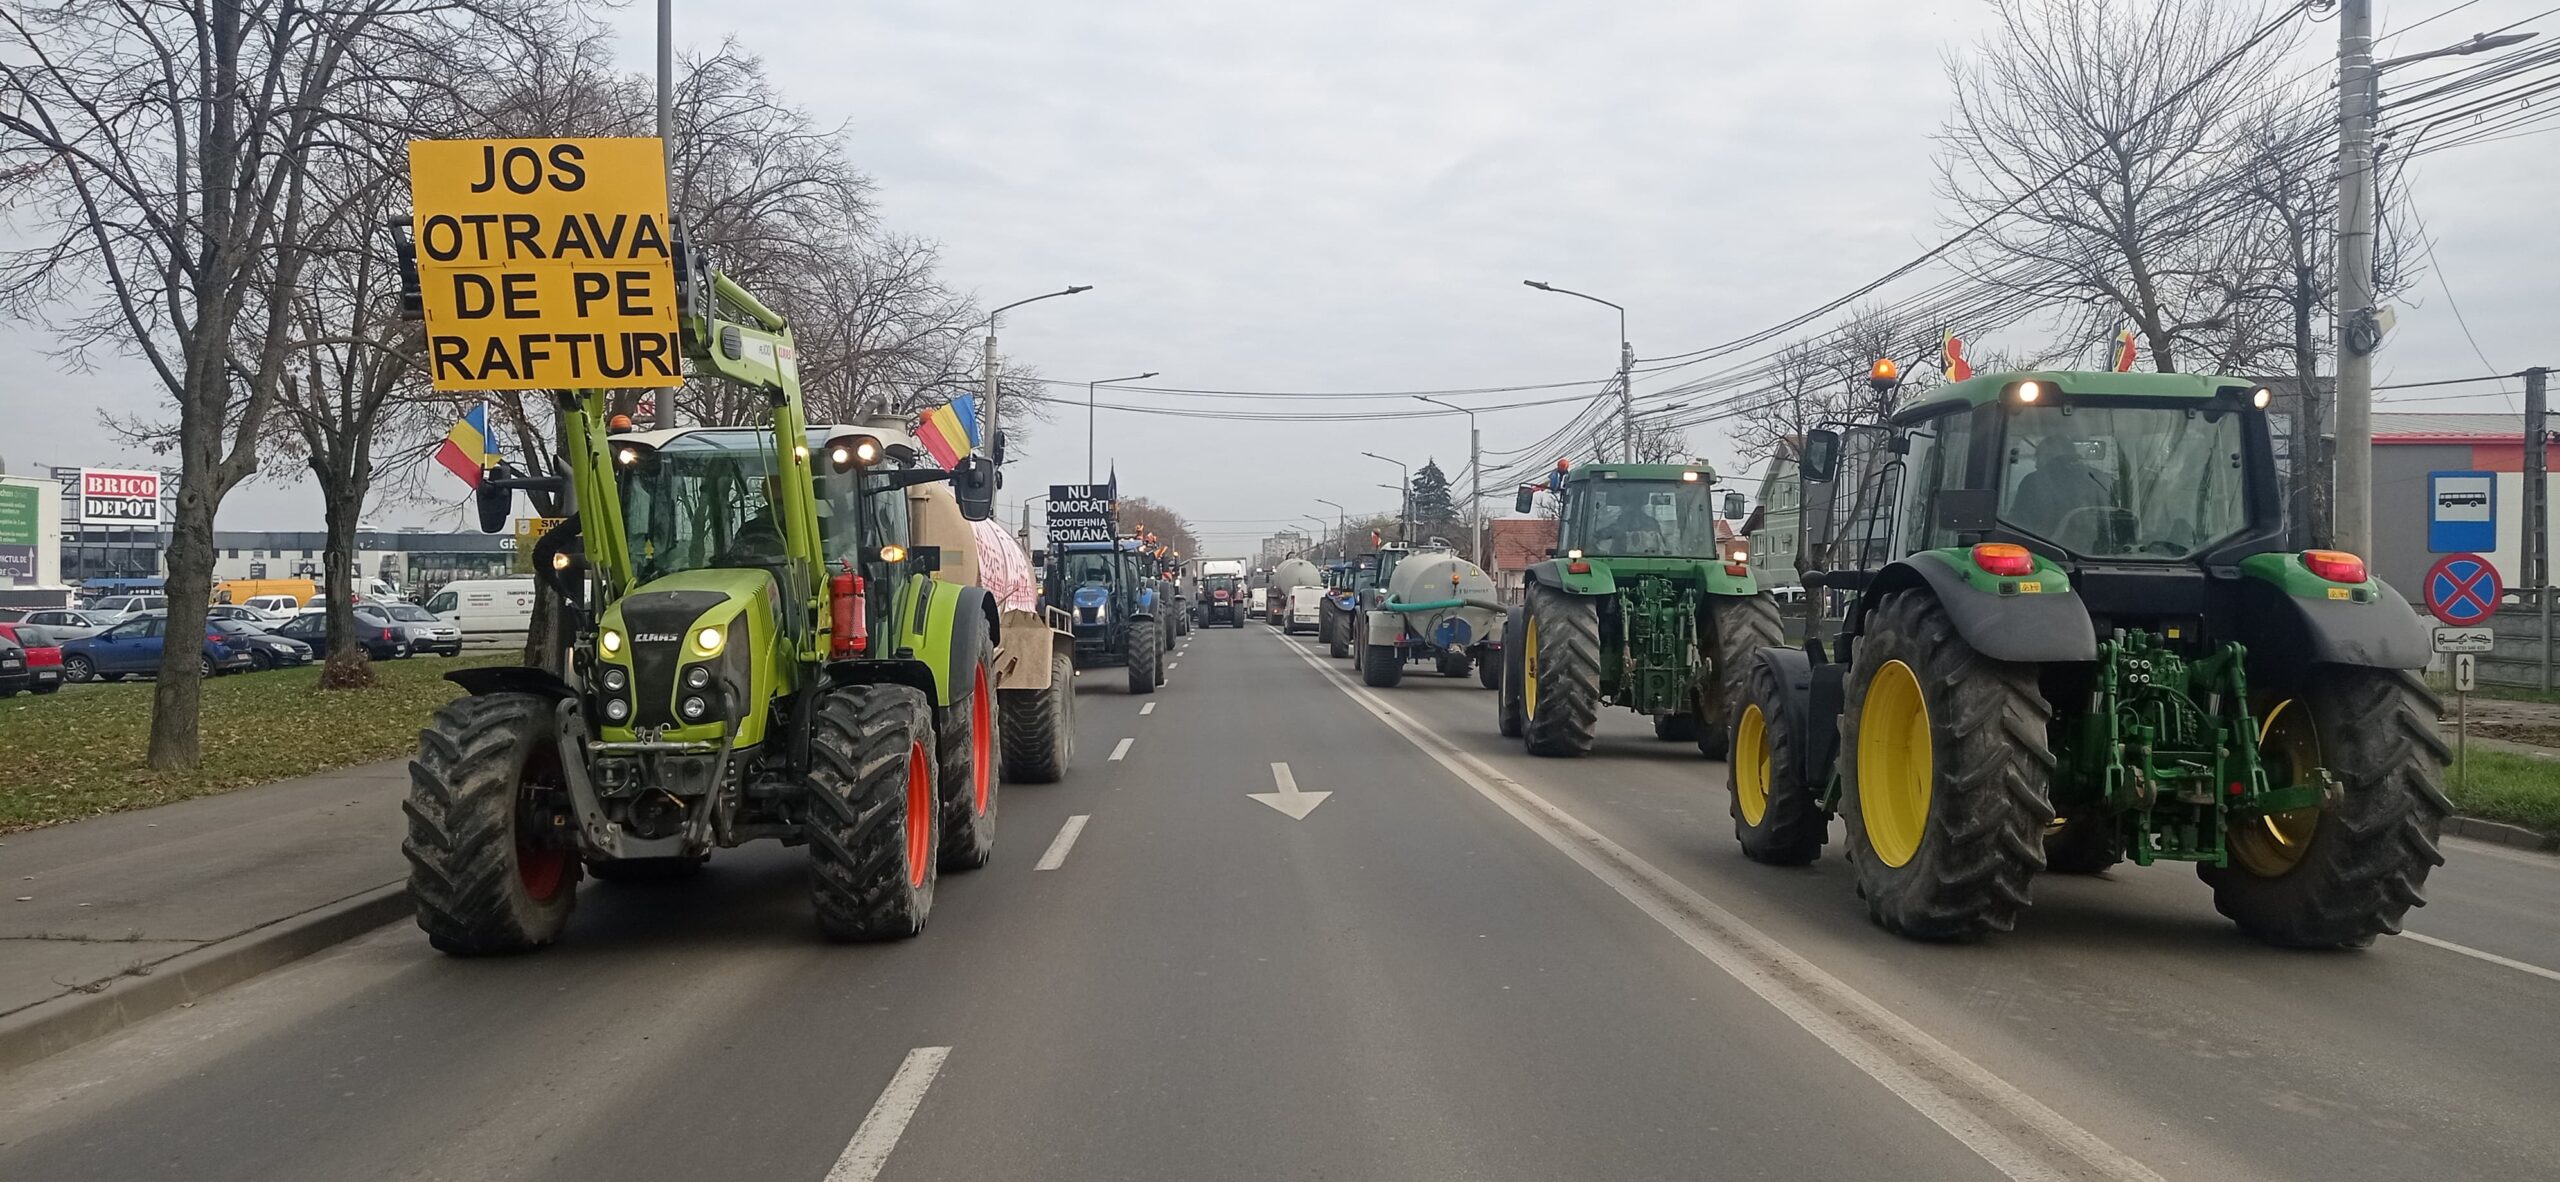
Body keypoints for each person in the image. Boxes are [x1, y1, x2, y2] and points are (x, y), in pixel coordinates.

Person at [2010, 428, 2113, 545]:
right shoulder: (2100, 479)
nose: (2036, 464)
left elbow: (2016, 525)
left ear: (2049, 456)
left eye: (2038, 457)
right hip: (2101, 552)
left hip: (2046, 551)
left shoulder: (2033, 481)